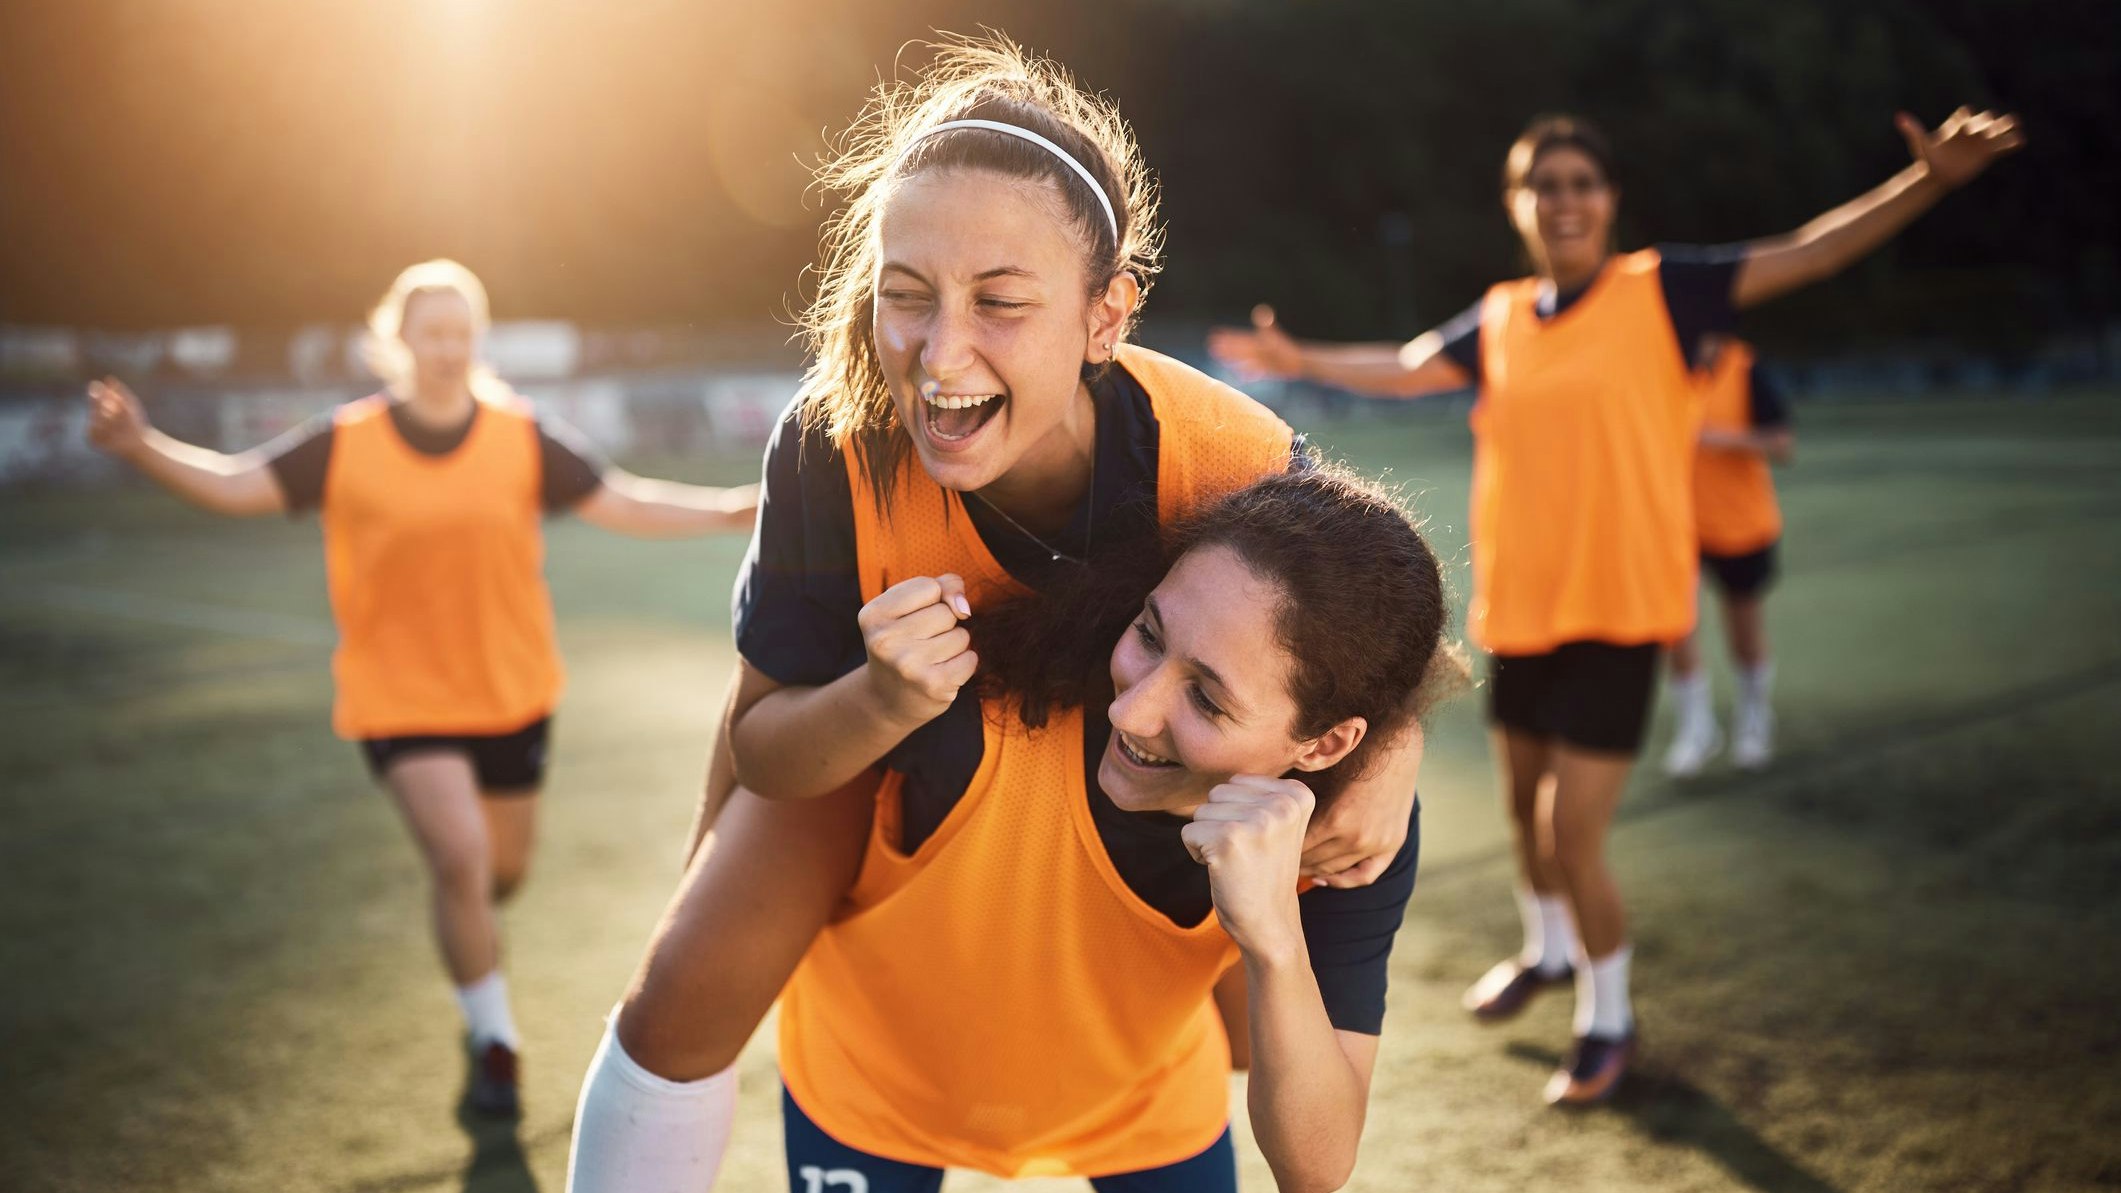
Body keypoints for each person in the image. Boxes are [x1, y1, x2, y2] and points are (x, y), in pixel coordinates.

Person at [564, 37, 1427, 1191]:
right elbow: (764, 744)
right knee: (681, 996)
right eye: (904, 296)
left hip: (1137, 901)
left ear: (1106, 315)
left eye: (1002, 303)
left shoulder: (1229, 460)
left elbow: (1357, 620)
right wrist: (877, 698)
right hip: (899, 810)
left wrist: (1392, 753)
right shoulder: (840, 444)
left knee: (1259, 963)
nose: (938, 354)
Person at [1209, 106, 2021, 1103]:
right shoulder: (1504, 316)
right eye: (1542, 185)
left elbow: (1810, 253)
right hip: (1523, 613)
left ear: (1609, 199)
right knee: (1520, 811)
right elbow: (1413, 364)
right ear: (1519, 205)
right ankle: (1546, 949)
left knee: (1568, 833)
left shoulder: (1662, 291)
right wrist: (1303, 362)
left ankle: (1609, 1016)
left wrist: (1931, 181)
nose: (1564, 200)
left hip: (1621, 614)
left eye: (1581, 182)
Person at [83, 258, 758, 1117]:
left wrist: (735, 507)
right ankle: (496, 1045)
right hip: (396, 697)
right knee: (461, 859)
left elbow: (620, 500)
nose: (446, 348)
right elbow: (236, 483)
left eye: (461, 333)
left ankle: (467, 941)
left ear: (477, 341)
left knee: (497, 875)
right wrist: (140, 442)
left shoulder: (520, 436)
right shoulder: (346, 440)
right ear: (398, 341)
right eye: (430, 332)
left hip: (509, 693)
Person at [768, 466, 1457, 1192]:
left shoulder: (1346, 835)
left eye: (1207, 699)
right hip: (867, 1083)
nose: (1131, 712)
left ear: (1321, 746)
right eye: (1149, 634)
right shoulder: (982, 696)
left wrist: (1274, 938)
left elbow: (1316, 1166)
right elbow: (771, 758)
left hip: (1141, 1108)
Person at [1663, 335, 1794, 776]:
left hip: (1742, 523)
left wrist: (1718, 438)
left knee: (1744, 626)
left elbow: (1782, 445)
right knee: (1677, 626)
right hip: (1679, 524)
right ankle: (1697, 728)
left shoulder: (1746, 369)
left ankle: (1754, 719)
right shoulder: (1664, 365)